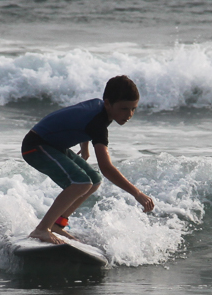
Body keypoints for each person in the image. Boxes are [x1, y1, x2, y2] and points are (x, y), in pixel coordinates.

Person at [21, 75, 155, 244]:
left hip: (54, 146)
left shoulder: (100, 109)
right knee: (82, 182)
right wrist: (137, 193)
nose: (129, 114)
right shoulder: (98, 124)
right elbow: (107, 168)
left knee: (94, 180)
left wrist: (85, 148)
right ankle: (41, 230)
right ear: (108, 103)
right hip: (36, 146)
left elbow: (79, 119)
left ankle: (57, 224)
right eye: (124, 108)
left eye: (133, 109)